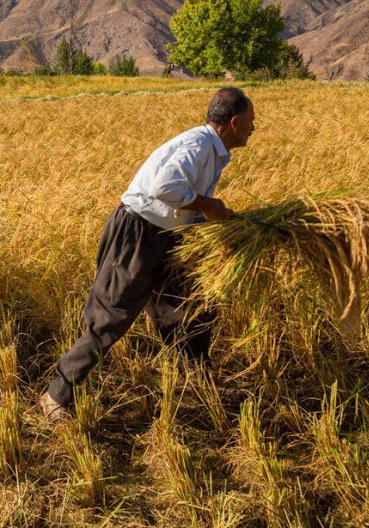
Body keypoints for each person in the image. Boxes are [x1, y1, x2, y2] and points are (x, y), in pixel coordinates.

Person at [39, 87, 256, 422]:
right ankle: (57, 395)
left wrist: (216, 220)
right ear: (234, 121)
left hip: (169, 237)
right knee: (111, 316)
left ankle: (199, 384)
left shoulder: (213, 150)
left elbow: (180, 198)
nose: (254, 129)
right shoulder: (198, 145)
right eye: (251, 122)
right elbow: (163, 189)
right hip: (138, 235)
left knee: (193, 310)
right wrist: (210, 207)